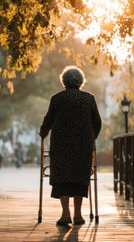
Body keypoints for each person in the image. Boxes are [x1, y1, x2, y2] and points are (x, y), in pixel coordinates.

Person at [39, 66, 101, 225]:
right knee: (80, 176)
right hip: (82, 145)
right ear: (81, 82)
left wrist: (43, 133)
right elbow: (97, 122)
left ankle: (65, 213)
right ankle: (78, 215)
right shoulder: (89, 98)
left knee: (62, 178)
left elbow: (48, 121)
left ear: (64, 82)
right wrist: (91, 138)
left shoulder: (57, 98)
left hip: (61, 146)